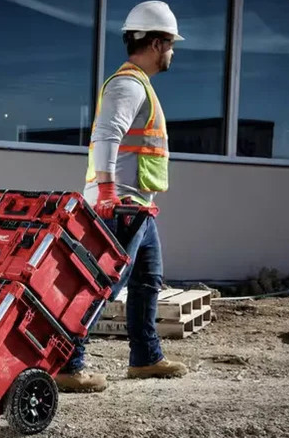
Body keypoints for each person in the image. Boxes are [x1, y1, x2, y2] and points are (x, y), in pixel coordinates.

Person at [55, 1, 189, 393]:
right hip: (119, 207)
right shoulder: (127, 85)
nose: (172, 52)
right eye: (170, 43)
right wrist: (109, 193)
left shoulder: (138, 85)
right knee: (100, 286)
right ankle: (68, 364)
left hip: (138, 207)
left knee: (148, 281)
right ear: (156, 43)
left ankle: (145, 358)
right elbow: (105, 135)